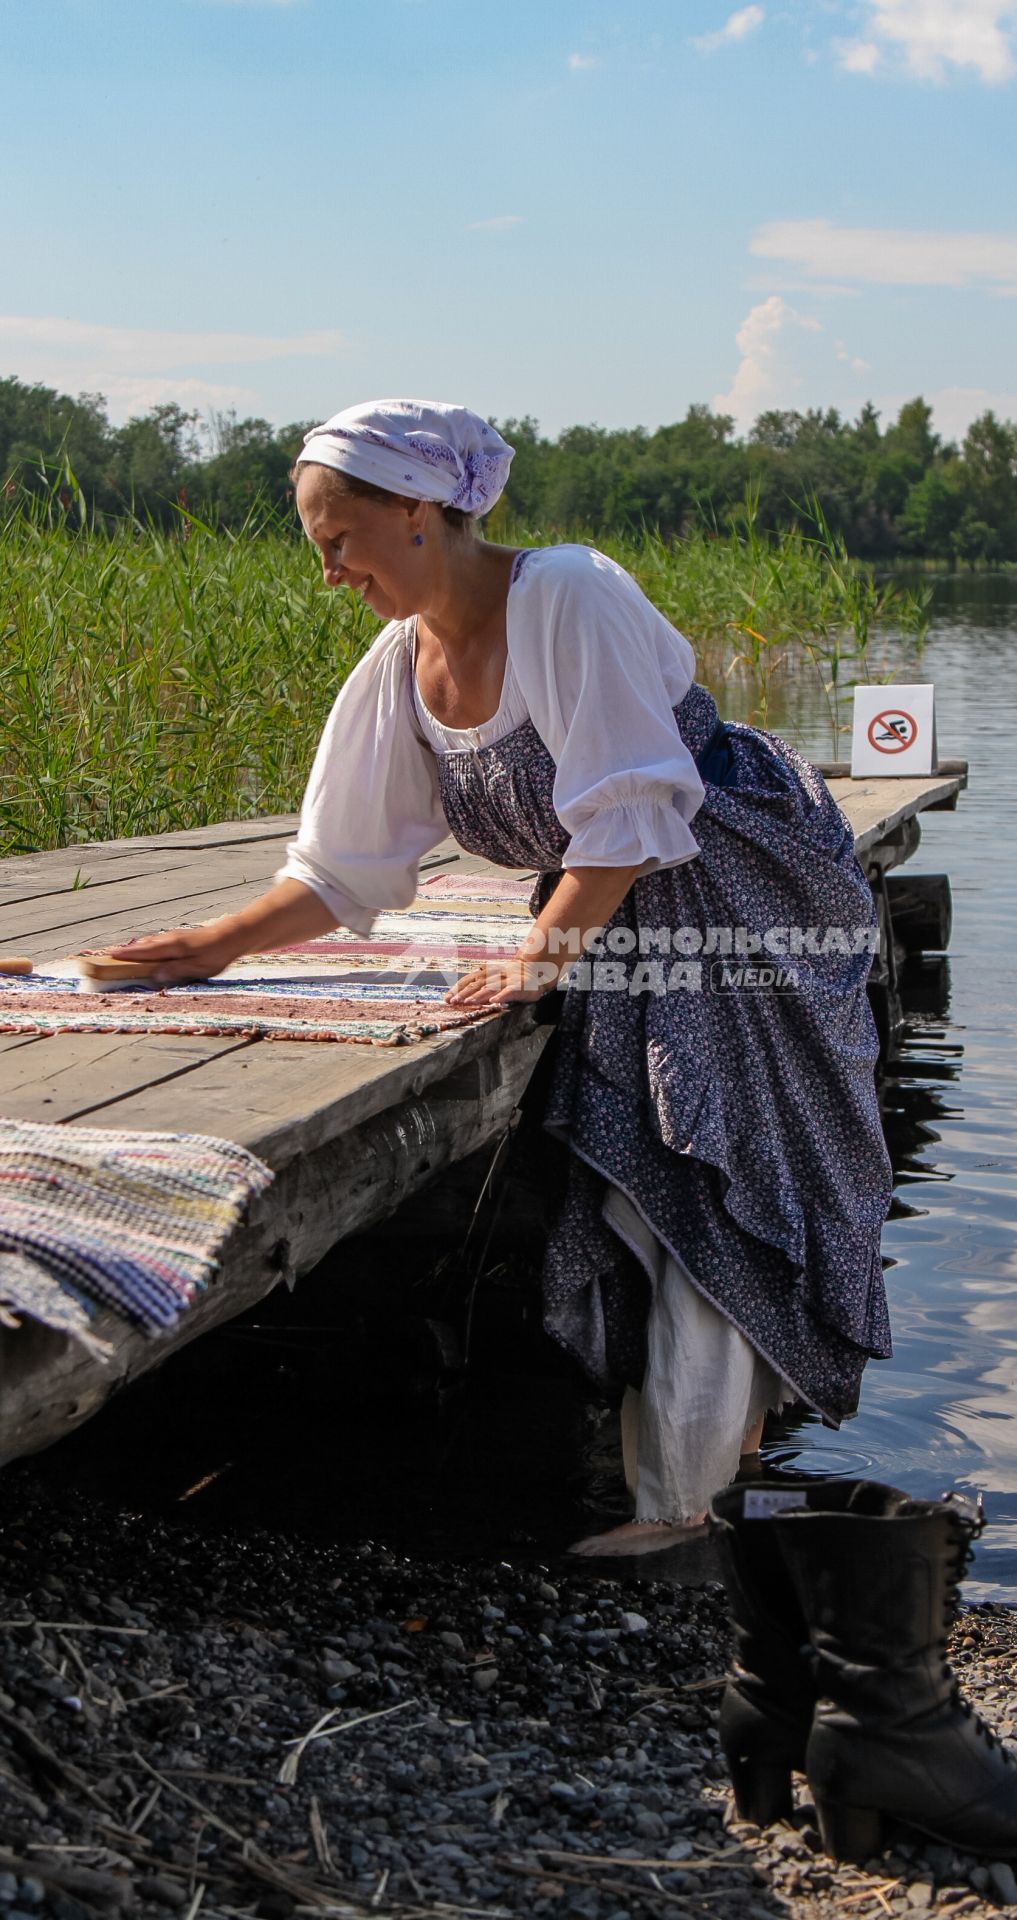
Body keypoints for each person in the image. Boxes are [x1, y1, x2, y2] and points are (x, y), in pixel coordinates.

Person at [111, 398, 894, 1556]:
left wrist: (536, 955)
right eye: (316, 547)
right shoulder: (400, 670)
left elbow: (629, 820)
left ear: (419, 510)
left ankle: (679, 1507)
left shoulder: (566, 593)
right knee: (649, 1179)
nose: (329, 573)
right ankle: (709, 1473)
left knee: (704, 1175)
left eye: (339, 540)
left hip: (733, 889)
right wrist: (212, 945)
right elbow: (340, 871)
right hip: (612, 906)